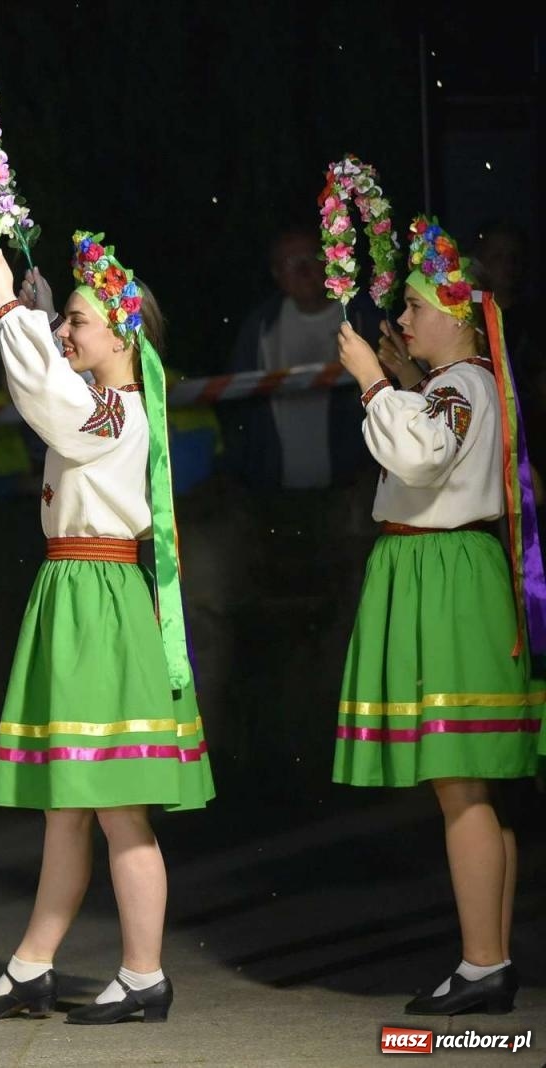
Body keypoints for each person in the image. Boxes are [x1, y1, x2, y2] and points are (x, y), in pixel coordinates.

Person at [0, 238, 213, 1026]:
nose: (66, 332)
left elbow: (56, 408)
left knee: (116, 806)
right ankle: (32, 965)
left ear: (123, 334)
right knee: (67, 803)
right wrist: (38, 319)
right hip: (75, 591)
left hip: (99, 598)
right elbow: (54, 396)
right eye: (64, 321)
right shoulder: (105, 404)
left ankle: (144, 975)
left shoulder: (117, 410)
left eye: (78, 321)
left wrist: (12, 311)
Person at [333, 216, 542, 1015]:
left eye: (416, 307)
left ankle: (484, 963)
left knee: (461, 783)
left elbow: (420, 455)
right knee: (471, 785)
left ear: (458, 317)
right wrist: (400, 381)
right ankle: (489, 960)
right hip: (444, 572)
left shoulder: (462, 385)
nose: (404, 318)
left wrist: (374, 383)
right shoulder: (457, 385)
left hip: (446, 577)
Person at [225, 228, 379, 489]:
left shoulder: (362, 317)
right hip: (276, 490)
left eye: (311, 257)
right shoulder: (261, 327)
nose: (303, 269)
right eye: (290, 262)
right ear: (276, 274)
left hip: (351, 485)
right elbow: (238, 405)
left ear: (328, 261)